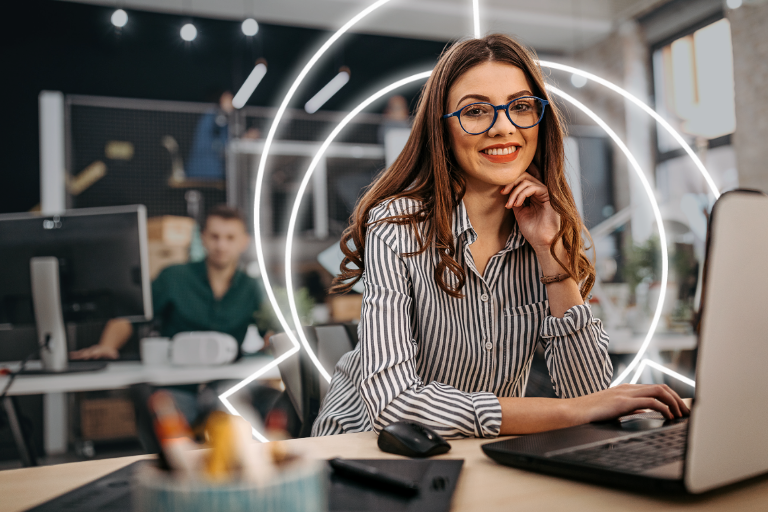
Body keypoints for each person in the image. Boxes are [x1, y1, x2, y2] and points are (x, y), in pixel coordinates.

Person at [312, 34, 688, 439]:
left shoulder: (546, 228)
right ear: (442, 128)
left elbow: (590, 396)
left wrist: (550, 254)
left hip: (474, 449)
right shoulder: (397, 226)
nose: (503, 127)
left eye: (521, 107)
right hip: (362, 448)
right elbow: (395, 405)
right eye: (475, 111)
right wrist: (564, 411)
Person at [71, 205, 274, 423]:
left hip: (226, 386)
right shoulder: (174, 277)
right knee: (169, 433)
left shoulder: (252, 288)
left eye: (230, 237)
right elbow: (131, 316)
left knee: (237, 424)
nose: (221, 245)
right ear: (202, 238)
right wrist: (107, 345)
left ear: (244, 242)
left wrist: (277, 342)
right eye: (214, 236)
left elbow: (271, 332)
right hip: (177, 386)